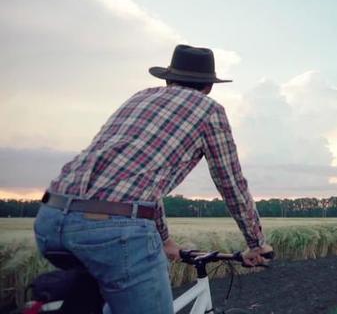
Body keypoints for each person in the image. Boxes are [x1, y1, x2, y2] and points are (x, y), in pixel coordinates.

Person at [33, 44, 272, 313]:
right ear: (208, 87)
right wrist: (257, 244)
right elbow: (231, 184)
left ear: (168, 79)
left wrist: (166, 241)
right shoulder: (209, 110)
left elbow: (138, 181)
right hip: (113, 231)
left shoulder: (140, 97)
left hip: (49, 219)